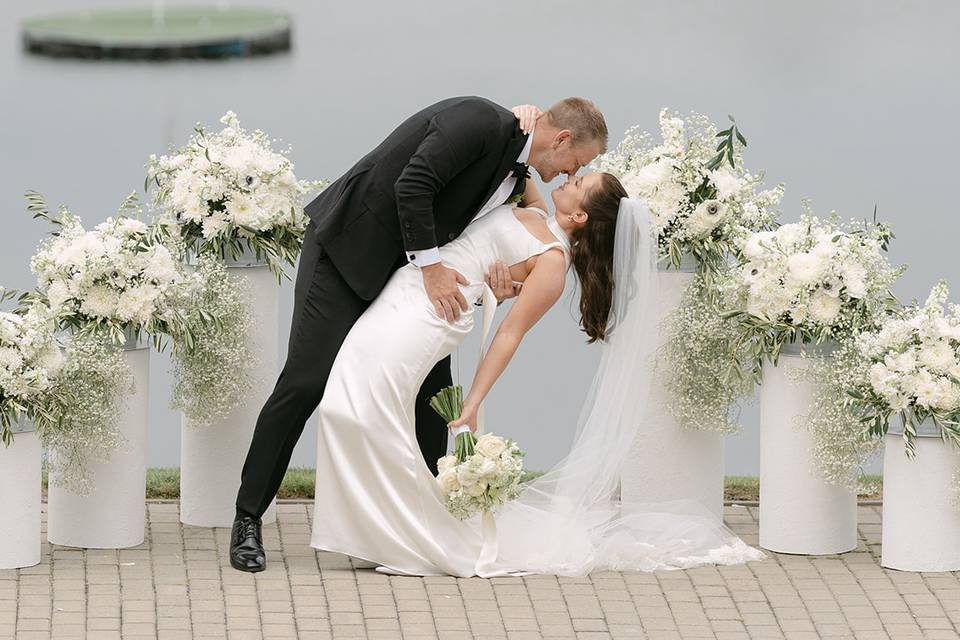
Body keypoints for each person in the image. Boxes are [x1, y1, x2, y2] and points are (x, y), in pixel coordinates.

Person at [309, 169, 767, 576]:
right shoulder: (537, 210)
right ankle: (382, 527)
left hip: (431, 316)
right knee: (348, 401)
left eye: (582, 183)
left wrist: (472, 403)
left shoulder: (552, 264)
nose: (572, 176)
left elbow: (510, 335)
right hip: (408, 289)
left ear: (583, 217)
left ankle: (402, 535)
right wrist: (521, 124)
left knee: (354, 408)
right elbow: (521, 162)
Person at [231, 96, 609, 572]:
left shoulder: (518, 174)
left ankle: (421, 525)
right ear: (563, 140)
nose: (574, 171)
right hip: (350, 253)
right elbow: (413, 185)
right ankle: (248, 517)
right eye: (581, 161)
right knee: (307, 382)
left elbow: (498, 240)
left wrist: (500, 285)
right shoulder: (478, 122)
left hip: (412, 289)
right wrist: (431, 270)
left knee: (433, 401)